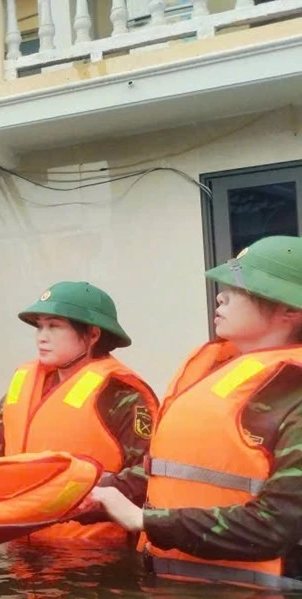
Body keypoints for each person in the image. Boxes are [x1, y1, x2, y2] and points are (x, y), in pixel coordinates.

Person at [92, 236, 302, 590]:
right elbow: (171, 474)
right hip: (175, 582)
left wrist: (146, 521)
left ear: (289, 311)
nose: (221, 297)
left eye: (239, 290)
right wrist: (89, 494)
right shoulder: (219, 370)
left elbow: (277, 525)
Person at [0, 281, 158, 542]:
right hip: (19, 541)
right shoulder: (26, 384)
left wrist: (77, 493)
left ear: (93, 334)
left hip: (91, 551)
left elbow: (147, 473)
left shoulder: (121, 396)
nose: (41, 337)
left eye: (54, 326)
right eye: (39, 326)